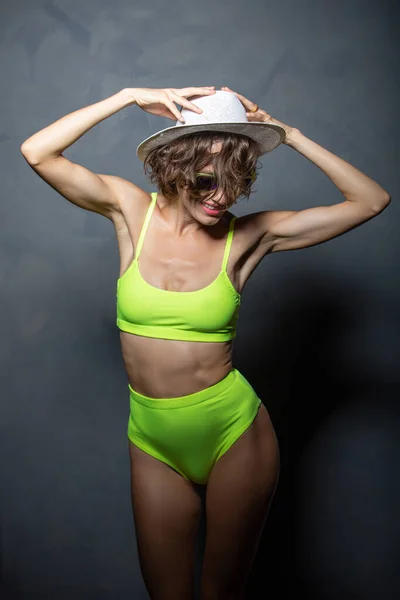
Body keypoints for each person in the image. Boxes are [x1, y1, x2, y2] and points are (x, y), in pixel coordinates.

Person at [20, 85, 391, 600]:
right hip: (152, 438)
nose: (221, 198)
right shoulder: (131, 212)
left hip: (233, 432)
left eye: (236, 185)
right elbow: (37, 151)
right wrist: (127, 96)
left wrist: (290, 135)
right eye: (206, 181)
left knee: (222, 593)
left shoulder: (250, 237)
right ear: (175, 167)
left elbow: (371, 200)